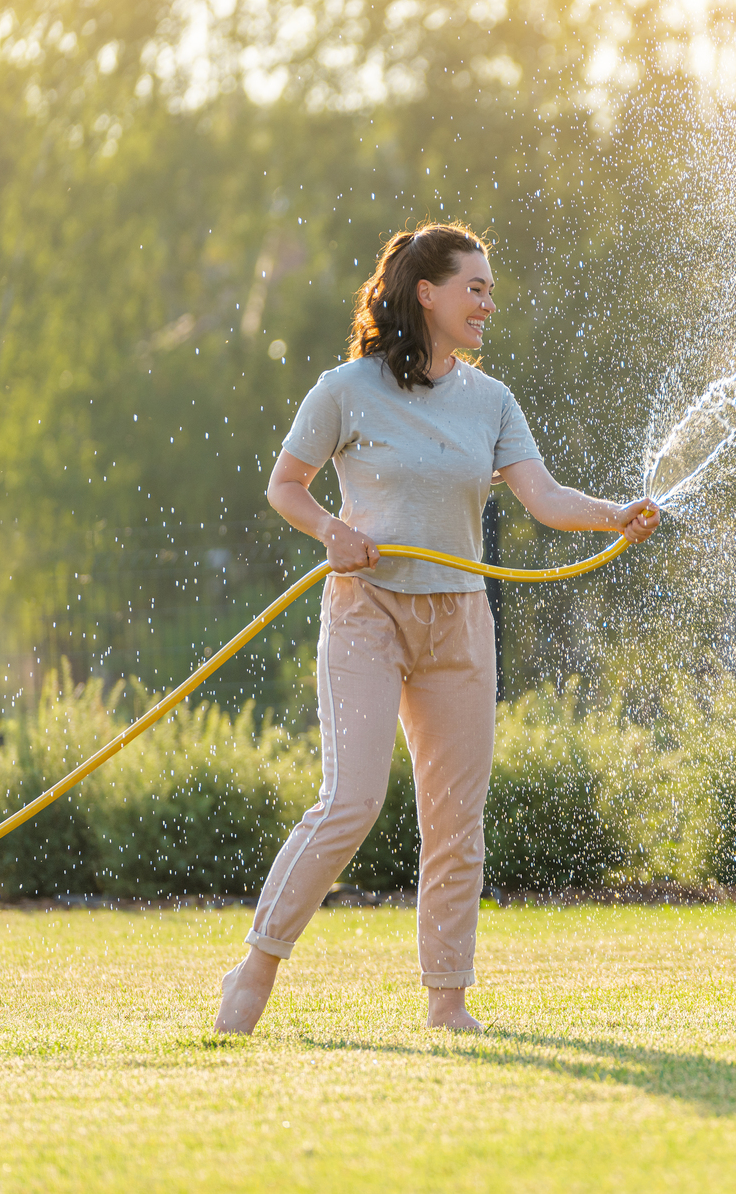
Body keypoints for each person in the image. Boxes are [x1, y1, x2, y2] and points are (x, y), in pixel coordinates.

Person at [215, 222, 659, 1034]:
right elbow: (286, 484)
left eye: (489, 290)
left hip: (458, 618)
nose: (489, 304)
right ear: (429, 293)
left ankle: (447, 1003)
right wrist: (330, 533)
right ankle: (255, 967)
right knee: (350, 803)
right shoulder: (347, 388)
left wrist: (612, 516)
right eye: (475, 288)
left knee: (455, 819)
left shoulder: (490, 400)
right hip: (369, 611)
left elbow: (545, 498)